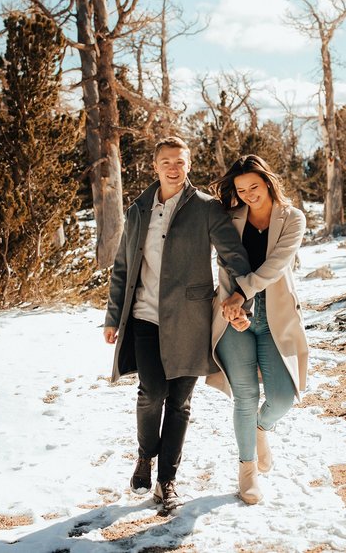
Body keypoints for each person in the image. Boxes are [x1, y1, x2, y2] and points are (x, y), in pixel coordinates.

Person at [103, 136, 252, 511]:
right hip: (144, 316)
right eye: (166, 161)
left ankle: (167, 481)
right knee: (151, 392)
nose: (173, 168)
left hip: (190, 318)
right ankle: (144, 455)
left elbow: (233, 255)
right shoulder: (138, 209)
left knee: (180, 402)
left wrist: (243, 295)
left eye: (180, 162)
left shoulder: (206, 208)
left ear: (188, 165)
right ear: (155, 166)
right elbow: (122, 268)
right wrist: (112, 315)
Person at [206, 154, 308, 505]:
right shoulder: (231, 219)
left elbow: (276, 266)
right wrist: (232, 307)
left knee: (281, 397)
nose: (249, 194)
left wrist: (241, 294)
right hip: (233, 319)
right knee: (245, 397)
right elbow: (224, 267)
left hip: (275, 318)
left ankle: (262, 429)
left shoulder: (292, 218)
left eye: (254, 186)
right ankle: (247, 473)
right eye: (241, 189)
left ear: (267, 181)